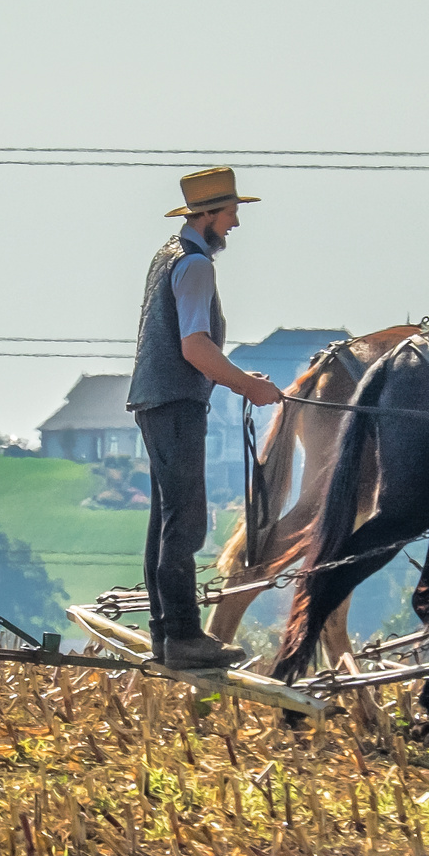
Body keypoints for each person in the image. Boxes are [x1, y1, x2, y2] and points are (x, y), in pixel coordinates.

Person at [129, 166, 283, 671]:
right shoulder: (196, 266)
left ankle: (165, 635)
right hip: (176, 404)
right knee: (187, 521)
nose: (236, 224)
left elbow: (193, 347)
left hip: (157, 402)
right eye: (232, 213)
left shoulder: (164, 256)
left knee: (166, 522)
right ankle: (185, 636)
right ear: (210, 215)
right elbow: (195, 347)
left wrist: (236, 373)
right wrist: (247, 386)